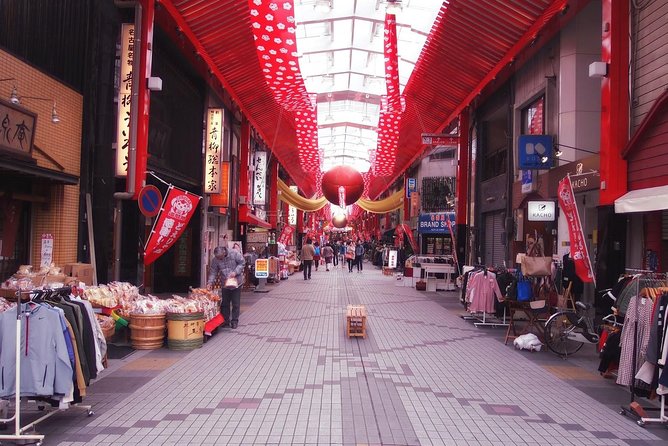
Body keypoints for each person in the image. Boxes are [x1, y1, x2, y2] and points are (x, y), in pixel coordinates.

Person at [207, 246, 245, 329]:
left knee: (235, 303)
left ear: (224, 252)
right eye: (218, 258)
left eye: (220, 257)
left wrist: (235, 272)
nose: (219, 259)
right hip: (225, 283)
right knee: (225, 303)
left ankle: (234, 321)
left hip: (236, 282)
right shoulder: (215, 259)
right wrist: (210, 282)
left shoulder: (234, 253)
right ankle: (225, 321)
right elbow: (213, 271)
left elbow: (242, 263)